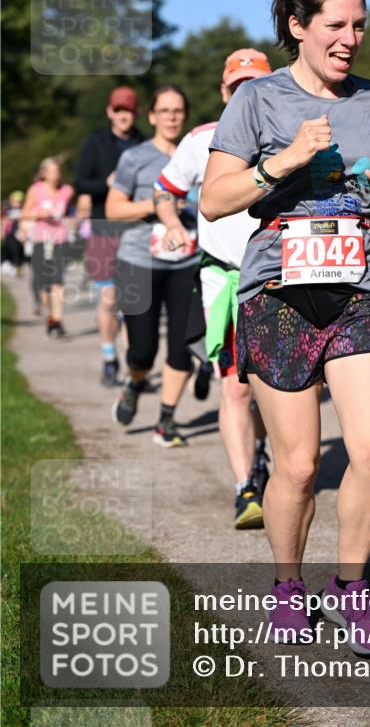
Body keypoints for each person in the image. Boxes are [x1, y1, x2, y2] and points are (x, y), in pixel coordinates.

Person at [200, 0, 370, 653]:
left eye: (358, 26)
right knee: (294, 467)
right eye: (335, 26)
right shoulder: (257, 99)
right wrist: (282, 161)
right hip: (279, 293)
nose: (349, 39)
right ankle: (288, 587)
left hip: (360, 287)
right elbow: (215, 199)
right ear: (297, 26)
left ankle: (351, 591)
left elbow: (365, 186)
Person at [153, 48, 273, 528]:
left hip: (278, 279)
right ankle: (245, 485)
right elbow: (167, 191)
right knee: (236, 388)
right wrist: (171, 222)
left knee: (274, 389)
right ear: (223, 92)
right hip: (224, 278)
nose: (244, 95)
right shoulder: (201, 139)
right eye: (236, 87)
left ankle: (262, 453)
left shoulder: (288, 137)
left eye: (255, 86)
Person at [106, 86, 198, 447]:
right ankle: (134, 381)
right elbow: (114, 209)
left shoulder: (200, 155)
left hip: (187, 260)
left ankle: (167, 419)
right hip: (138, 260)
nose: (171, 117)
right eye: (164, 111)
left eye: (178, 110)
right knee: (142, 350)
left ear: (185, 116)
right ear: (152, 116)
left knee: (181, 345)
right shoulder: (135, 157)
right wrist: (159, 204)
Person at [75, 86, 144, 386]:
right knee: (109, 296)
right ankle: (108, 359)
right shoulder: (95, 143)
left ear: (136, 113)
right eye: (118, 110)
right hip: (104, 226)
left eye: (127, 110)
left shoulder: (145, 144)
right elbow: (81, 183)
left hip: (137, 229)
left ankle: (133, 362)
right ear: (109, 112)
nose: (123, 116)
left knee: (134, 301)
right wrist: (106, 183)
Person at [21, 158, 74, 337]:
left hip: (60, 239)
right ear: (44, 173)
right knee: (44, 284)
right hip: (41, 240)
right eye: (52, 171)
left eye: (58, 171)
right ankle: (50, 316)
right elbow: (24, 212)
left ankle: (58, 320)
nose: (56, 175)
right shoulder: (35, 190)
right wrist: (37, 213)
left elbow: (67, 213)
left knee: (58, 281)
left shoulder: (67, 191)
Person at [1, 191, 26, 275]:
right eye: (14, 201)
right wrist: (2, 232)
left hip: (19, 233)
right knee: (8, 248)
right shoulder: (7, 210)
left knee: (17, 250)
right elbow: (4, 221)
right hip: (9, 232)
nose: (16, 203)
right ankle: (9, 265)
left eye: (18, 202)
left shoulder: (23, 210)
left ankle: (16, 266)